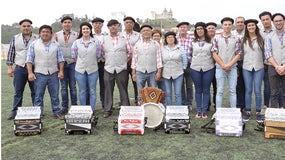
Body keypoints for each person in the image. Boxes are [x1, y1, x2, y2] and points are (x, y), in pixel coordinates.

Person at [26, 25, 65, 119]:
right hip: (39, 73)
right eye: (43, 31)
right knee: (38, 95)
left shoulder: (56, 44)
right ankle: (38, 113)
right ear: (40, 33)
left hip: (53, 73)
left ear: (51, 33)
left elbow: (61, 59)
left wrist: (61, 71)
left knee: (55, 95)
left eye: (47, 32)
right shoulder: (34, 44)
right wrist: (30, 73)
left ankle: (56, 112)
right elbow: (29, 60)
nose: (45, 33)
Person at [6, 19, 39, 120]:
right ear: (20, 27)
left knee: (35, 91)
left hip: (34, 68)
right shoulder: (15, 38)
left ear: (31, 27)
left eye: (28, 26)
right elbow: (11, 52)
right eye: (24, 26)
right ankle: (15, 111)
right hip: (20, 68)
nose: (26, 28)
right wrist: (9, 67)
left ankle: (37, 110)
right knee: (18, 91)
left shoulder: (37, 38)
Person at [102, 19, 132, 118]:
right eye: (111, 26)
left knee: (123, 88)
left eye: (115, 25)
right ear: (108, 27)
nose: (113, 27)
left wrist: (123, 61)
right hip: (109, 68)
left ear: (118, 26)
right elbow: (102, 53)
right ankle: (107, 109)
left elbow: (130, 52)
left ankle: (126, 108)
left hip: (121, 68)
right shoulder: (104, 39)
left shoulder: (124, 38)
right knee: (108, 89)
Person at [211, 17, 242, 108]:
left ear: (232, 26)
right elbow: (214, 53)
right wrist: (223, 65)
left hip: (232, 68)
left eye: (229, 24)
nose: (227, 26)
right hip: (220, 68)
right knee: (219, 91)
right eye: (225, 24)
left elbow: (238, 54)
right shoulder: (216, 39)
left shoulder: (237, 38)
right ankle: (218, 112)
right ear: (222, 26)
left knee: (233, 91)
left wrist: (229, 65)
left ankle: (233, 111)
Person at [71, 22, 100, 111]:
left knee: (92, 91)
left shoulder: (96, 41)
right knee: (82, 91)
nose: (85, 30)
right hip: (80, 71)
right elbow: (74, 56)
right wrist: (82, 63)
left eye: (87, 28)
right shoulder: (76, 42)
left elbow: (98, 56)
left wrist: (90, 63)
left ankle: (92, 110)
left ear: (90, 30)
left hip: (93, 70)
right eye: (83, 29)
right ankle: (83, 109)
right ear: (81, 30)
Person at [131, 25, 163, 104]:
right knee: (140, 92)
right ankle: (141, 108)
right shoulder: (137, 44)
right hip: (140, 71)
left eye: (148, 30)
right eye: (144, 31)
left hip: (152, 71)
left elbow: (159, 59)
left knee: (153, 92)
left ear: (151, 32)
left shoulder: (156, 44)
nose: (146, 32)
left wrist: (159, 72)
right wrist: (133, 73)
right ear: (141, 33)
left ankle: (152, 107)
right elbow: (134, 59)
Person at [259, 11, 283, 113]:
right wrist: (276, 66)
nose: (278, 23)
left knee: (282, 90)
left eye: (280, 20)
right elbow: (265, 52)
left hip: (282, 65)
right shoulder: (264, 34)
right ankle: (270, 109)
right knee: (271, 90)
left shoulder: (277, 31)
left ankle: (282, 109)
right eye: (276, 21)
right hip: (269, 65)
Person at [189, 22, 215, 119]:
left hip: (208, 68)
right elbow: (190, 54)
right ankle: (199, 110)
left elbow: (214, 55)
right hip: (195, 68)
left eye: (201, 28)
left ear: (205, 30)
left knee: (206, 89)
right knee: (198, 89)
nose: (199, 30)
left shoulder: (211, 41)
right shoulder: (193, 42)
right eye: (197, 29)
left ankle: (204, 111)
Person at [54, 16, 78, 115]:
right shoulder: (56, 35)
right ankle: (64, 107)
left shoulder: (76, 34)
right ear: (62, 24)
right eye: (65, 22)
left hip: (73, 63)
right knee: (63, 87)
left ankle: (74, 106)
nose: (67, 24)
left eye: (69, 22)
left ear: (71, 24)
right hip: (61, 64)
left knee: (73, 86)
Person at [241, 19, 264, 122]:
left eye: (252, 25)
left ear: (256, 26)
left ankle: (259, 112)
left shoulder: (261, 38)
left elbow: (265, 52)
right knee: (248, 90)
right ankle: (248, 111)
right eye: (249, 25)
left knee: (258, 90)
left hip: (259, 67)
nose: (251, 27)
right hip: (247, 67)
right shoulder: (243, 39)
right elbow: (240, 54)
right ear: (247, 27)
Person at [161, 31, 187, 105]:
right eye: (168, 37)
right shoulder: (163, 49)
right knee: (168, 93)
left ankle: (178, 110)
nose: (170, 39)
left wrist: (183, 68)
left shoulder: (180, 48)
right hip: (166, 74)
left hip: (178, 73)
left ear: (174, 38)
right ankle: (170, 109)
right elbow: (161, 61)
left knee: (178, 93)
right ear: (166, 39)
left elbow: (184, 59)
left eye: (172, 37)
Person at [122, 16, 141, 105]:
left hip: (136, 63)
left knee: (136, 82)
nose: (129, 24)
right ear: (124, 24)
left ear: (133, 24)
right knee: (123, 83)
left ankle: (138, 100)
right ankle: (125, 103)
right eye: (127, 22)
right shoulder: (120, 35)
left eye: (130, 22)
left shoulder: (138, 35)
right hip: (123, 63)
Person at [176, 22, 193, 109]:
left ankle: (189, 103)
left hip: (190, 65)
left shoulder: (191, 39)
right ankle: (183, 102)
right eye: (181, 27)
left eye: (185, 27)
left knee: (189, 85)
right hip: (178, 65)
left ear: (187, 29)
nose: (183, 29)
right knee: (180, 85)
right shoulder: (175, 39)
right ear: (178, 29)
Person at [232, 16, 246, 112]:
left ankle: (245, 105)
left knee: (246, 85)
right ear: (235, 24)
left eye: (242, 22)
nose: (240, 24)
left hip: (247, 62)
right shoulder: (232, 34)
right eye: (238, 22)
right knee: (238, 85)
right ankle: (239, 105)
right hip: (236, 62)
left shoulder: (248, 33)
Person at [92, 17, 105, 109]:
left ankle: (105, 103)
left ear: (102, 25)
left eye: (99, 23)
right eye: (95, 23)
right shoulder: (89, 35)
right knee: (91, 85)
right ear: (93, 25)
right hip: (92, 63)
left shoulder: (106, 35)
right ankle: (90, 106)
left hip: (104, 62)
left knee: (104, 84)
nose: (97, 25)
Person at [206, 22, 218, 111]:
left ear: (215, 29)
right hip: (207, 67)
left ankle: (216, 104)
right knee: (206, 87)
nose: (211, 29)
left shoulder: (218, 39)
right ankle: (207, 104)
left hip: (217, 66)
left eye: (212, 28)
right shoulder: (204, 40)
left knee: (216, 87)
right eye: (209, 28)